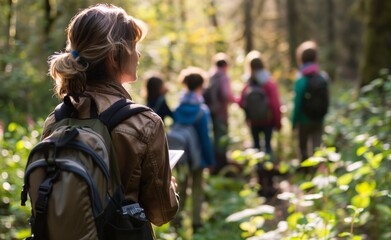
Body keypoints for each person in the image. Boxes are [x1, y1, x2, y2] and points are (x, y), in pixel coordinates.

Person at [44, 4, 179, 238]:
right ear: (114, 56)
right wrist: (170, 188)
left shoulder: (56, 119)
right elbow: (162, 213)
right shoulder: (144, 123)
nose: (138, 54)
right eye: (134, 47)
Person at [171, 67, 215, 233]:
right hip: (198, 157)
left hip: (180, 154)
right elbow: (205, 138)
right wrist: (210, 161)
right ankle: (196, 223)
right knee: (197, 188)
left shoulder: (178, 107)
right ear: (201, 85)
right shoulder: (201, 110)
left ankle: (176, 220)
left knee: (180, 187)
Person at [239, 50, 282, 198]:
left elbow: (242, 102)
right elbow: (275, 104)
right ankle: (270, 183)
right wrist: (278, 122)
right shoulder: (269, 83)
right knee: (268, 147)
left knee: (256, 148)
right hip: (268, 121)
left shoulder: (247, 83)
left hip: (254, 122)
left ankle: (259, 182)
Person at [291, 40, 330, 174]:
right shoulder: (323, 77)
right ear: (316, 58)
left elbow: (297, 103)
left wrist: (294, 121)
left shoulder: (301, 80)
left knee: (303, 147)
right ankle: (316, 173)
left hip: (304, 120)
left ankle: (305, 173)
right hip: (319, 119)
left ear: (301, 59)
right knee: (316, 147)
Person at [204, 52, 238, 175]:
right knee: (222, 136)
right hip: (221, 112)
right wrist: (237, 100)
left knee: (213, 136)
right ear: (225, 65)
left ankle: (214, 164)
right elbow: (226, 94)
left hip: (210, 111)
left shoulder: (210, 75)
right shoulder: (223, 76)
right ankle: (222, 165)